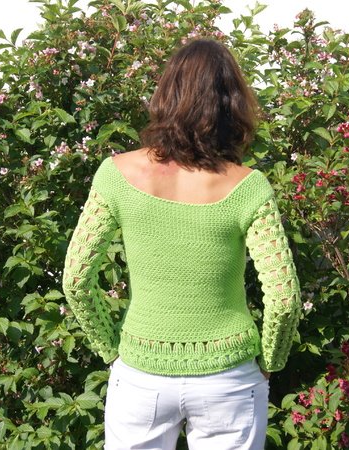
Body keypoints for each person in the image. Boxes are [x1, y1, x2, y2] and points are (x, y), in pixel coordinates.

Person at [62, 37, 302, 450]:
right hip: (229, 379)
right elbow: (284, 299)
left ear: (166, 95)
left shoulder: (116, 174)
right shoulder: (249, 187)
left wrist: (111, 349)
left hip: (140, 375)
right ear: (231, 105)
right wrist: (270, 362)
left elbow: (76, 280)